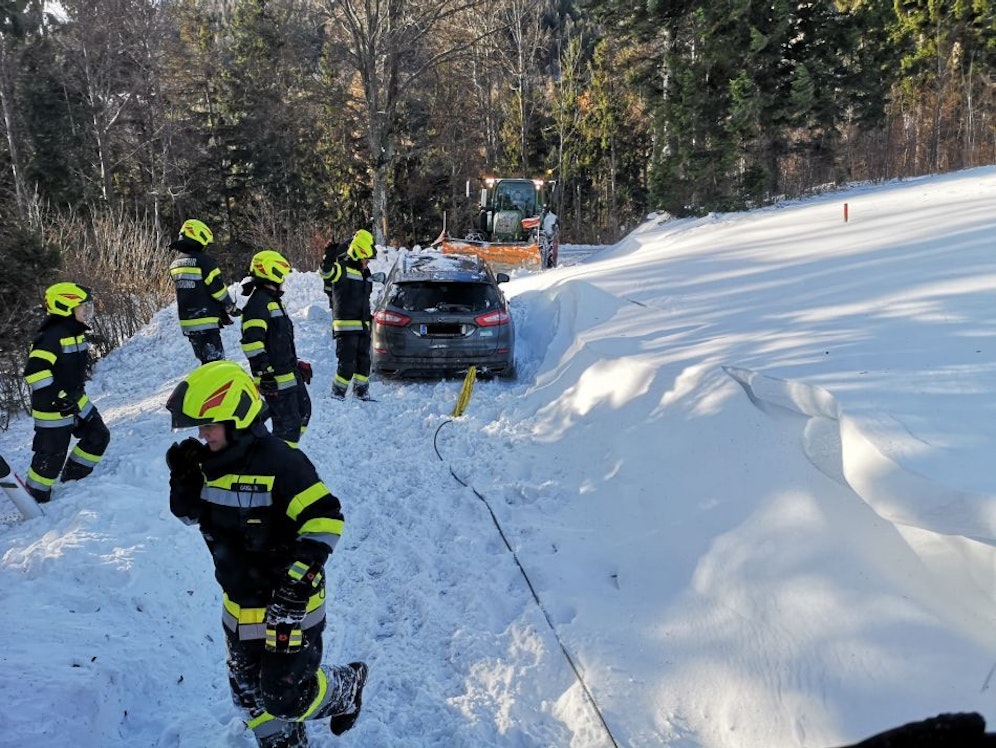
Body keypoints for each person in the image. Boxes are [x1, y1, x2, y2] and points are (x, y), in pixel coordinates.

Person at [164, 361, 367, 748]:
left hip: (290, 604)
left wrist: (297, 585)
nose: (202, 434)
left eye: (209, 424)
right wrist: (183, 483)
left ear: (237, 418)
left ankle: (347, 686)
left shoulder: (282, 463)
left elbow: (325, 519)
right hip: (239, 603)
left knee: (284, 696)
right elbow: (190, 515)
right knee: (248, 695)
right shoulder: (206, 466)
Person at [21, 282, 111, 503]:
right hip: (52, 407)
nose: (87, 312)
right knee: (51, 457)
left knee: (98, 435)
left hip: (76, 399)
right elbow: (35, 373)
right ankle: (35, 497)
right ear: (65, 307)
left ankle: (73, 479)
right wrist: (60, 399)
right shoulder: (51, 337)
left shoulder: (75, 332)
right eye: (83, 308)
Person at [239, 249, 313, 447]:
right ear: (272, 273)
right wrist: (264, 375)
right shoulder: (258, 304)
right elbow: (252, 343)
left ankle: (284, 453)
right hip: (275, 380)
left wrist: (296, 364)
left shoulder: (272, 302)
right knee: (287, 428)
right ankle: (281, 465)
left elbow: (277, 342)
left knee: (303, 414)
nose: (283, 281)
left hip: (288, 373)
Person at [168, 218, 240, 363]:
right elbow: (217, 290)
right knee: (216, 365)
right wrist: (230, 308)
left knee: (205, 363)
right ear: (198, 239)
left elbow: (195, 290)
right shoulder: (205, 262)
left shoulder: (175, 264)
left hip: (188, 324)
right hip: (206, 323)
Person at [319, 229, 376, 400]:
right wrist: (328, 255)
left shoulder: (366, 274)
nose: (367, 262)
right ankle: (337, 394)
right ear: (359, 254)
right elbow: (326, 273)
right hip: (346, 328)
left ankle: (361, 392)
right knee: (347, 365)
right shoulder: (341, 269)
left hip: (363, 326)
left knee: (364, 363)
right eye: (366, 258)